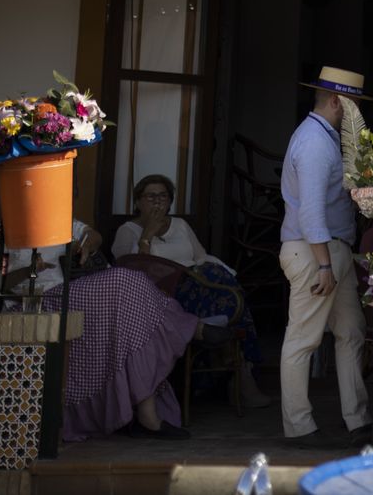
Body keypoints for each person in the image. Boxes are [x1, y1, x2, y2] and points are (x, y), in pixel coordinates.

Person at [0, 185, 222, 442]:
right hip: (32, 302)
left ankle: (147, 413)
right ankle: (193, 328)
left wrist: (88, 243)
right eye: (3, 204)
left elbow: (92, 234)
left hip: (71, 293)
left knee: (130, 306)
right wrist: (28, 272)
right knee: (125, 282)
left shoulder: (48, 221)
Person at [112, 174, 270, 408]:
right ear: (138, 202)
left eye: (163, 197)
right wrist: (148, 235)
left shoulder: (180, 225)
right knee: (224, 297)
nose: (157, 203)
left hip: (197, 283)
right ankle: (234, 366)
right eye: (151, 197)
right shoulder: (128, 231)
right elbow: (130, 271)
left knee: (224, 286)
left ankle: (234, 360)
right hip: (161, 293)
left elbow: (200, 257)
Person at [279, 66, 372, 446]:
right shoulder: (316, 143)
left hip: (332, 250)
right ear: (336, 101)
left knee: (351, 332)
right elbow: (311, 211)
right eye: (353, 106)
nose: (356, 115)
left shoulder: (323, 137)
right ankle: (298, 426)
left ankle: (357, 418)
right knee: (303, 340)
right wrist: (323, 264)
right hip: (316, 251)